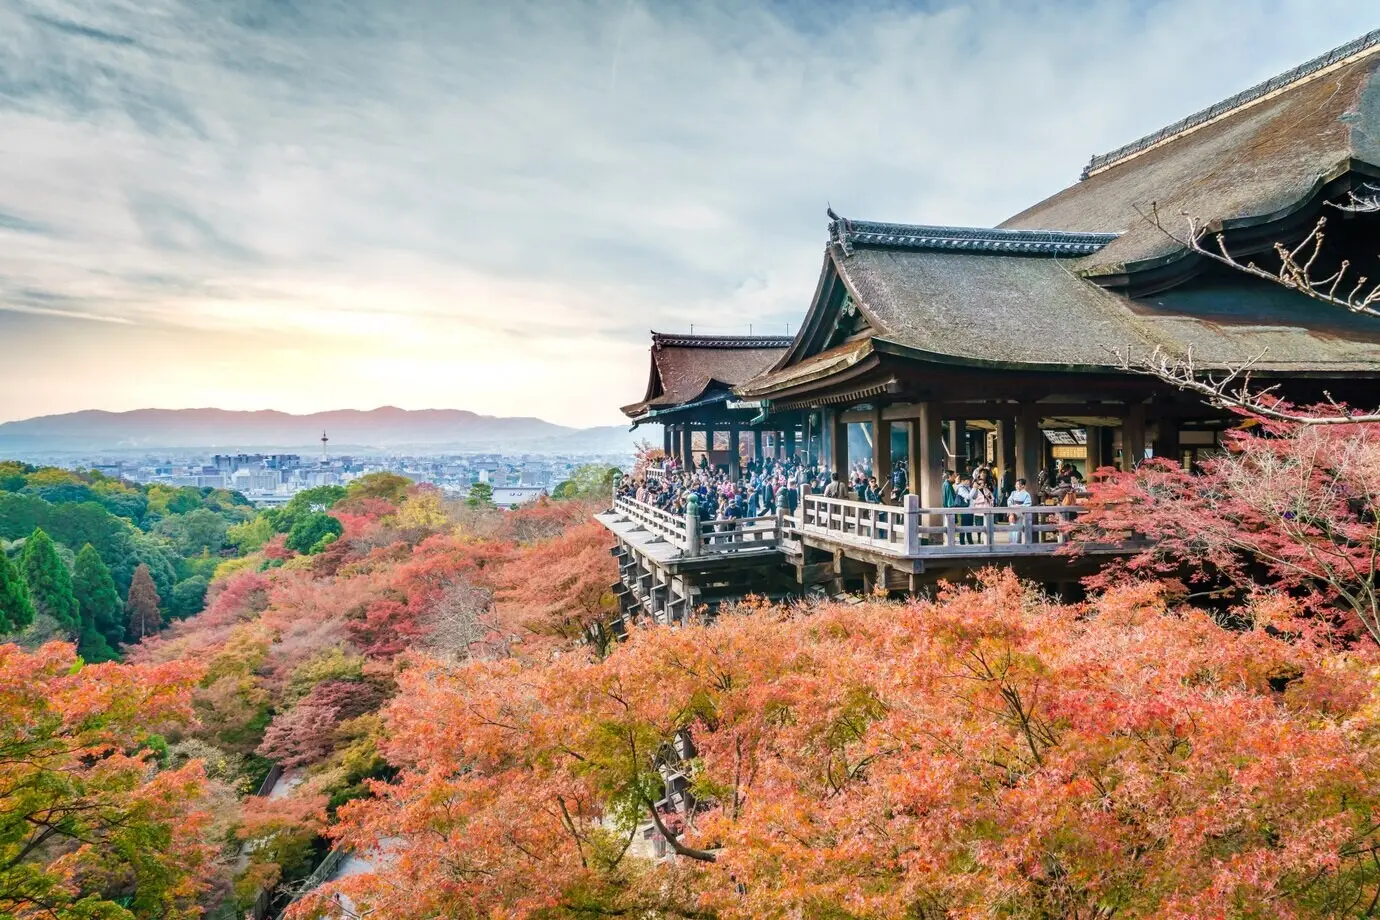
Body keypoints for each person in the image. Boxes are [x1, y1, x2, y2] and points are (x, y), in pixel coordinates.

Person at [969, 473, 994, 543]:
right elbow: (973, 500)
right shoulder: (974, 491)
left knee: (988, 525)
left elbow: (992, 498)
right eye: (979, 483)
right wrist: (983, 497)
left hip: (986, 510)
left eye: (982, 483)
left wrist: (989, 498)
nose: (981, 485)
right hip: (978, 511)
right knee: (979, 526)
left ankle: (988, 538)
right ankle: (979, 537)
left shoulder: (986, 490)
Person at [1007, 477, 1033, 542]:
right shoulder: (1013, 493)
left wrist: (1019, 506)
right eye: (1016, 484)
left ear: (1023, 486)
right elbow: (1009, 501)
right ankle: (1012, 543)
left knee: (1019, 531)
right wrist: (1012, 506)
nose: (1016, 486)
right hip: (1013, 512)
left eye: (1018, 484)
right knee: (1012, 529)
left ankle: (1019, 544)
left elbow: (1028, 504)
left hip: (1021, 514)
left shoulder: (1026, 494)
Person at [955, 475, 974, 546]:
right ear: (962, 481)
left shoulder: (968, 487)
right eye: (967, 480)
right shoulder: (961, 488)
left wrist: (975, 489)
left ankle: (970, 541)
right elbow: (968, 497)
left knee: (969, 527)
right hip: (964, 510)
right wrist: (974, 488)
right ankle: (962, 542)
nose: (969, 482)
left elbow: (974, 497)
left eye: (969, 480)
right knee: (963, 528)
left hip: (970, 510)